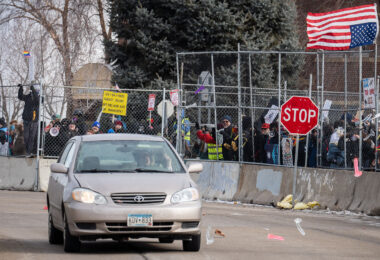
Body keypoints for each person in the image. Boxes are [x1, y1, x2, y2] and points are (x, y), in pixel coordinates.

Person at [18, 84, 40, 155]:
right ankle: (27, 151)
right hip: (26, 120)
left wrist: (33, 89)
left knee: (32, 137)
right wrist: (21, 88)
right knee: (26, 137)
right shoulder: (28, 97)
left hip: (34, 121)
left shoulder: (39, 97)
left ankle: (29, 152)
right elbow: (20, 97)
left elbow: (37, 99)